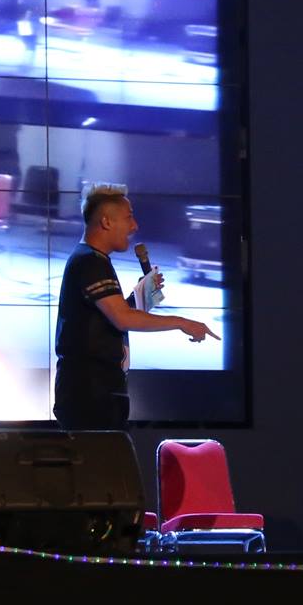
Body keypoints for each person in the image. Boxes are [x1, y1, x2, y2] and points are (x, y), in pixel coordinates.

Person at [54, 183, 217, 430]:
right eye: (129, 217)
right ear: (106, 222)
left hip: (100, 391)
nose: (135, 226)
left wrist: (140, 296)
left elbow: (112, 315)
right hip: (88, 393)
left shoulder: (94, 260)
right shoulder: (89, 262)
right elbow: (122, 318)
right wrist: (182, 323)